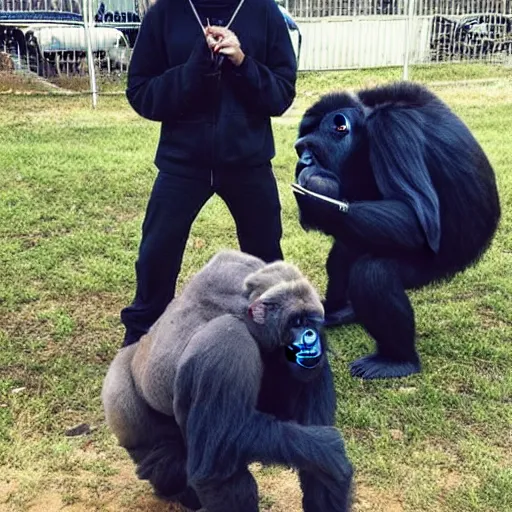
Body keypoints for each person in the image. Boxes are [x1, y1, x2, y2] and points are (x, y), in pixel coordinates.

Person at [120, 0, 298, 346]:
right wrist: (193, 69)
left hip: (248, 159)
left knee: (265, 251)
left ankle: (273, 329)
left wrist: (242, 63)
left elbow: (281, 94)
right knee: (157, 252)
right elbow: (141, 93)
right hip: (182, 160)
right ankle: (141, 336)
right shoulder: (165, 13)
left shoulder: (263, 11)